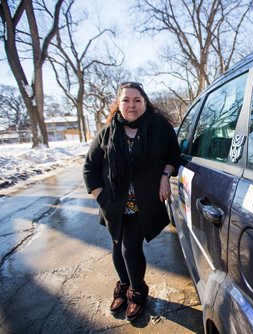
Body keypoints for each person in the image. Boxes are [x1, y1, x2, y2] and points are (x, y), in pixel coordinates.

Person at [83, 82, 180, 321]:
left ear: (145, 102)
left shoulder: (160, 128)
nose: (132, 105)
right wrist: (101, 198)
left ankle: (137, 291)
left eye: (137, 100)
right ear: (119, 104)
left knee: (129, 247)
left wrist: (165, 176)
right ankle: (124, 284)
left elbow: (173, 154)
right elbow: (89, 168)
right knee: (117, 246)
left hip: (143, 203)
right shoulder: (107, 133)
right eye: (126, 100)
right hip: (113, 203)